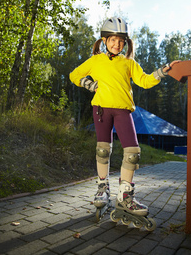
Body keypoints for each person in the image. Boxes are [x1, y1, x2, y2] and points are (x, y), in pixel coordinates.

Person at [69, 17, 179, 219]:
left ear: (125, 43)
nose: (116, 44)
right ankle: (102, 188)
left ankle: (125, 196)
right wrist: (89, 84)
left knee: (133, 152)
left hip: (123, 110)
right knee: (103, 150)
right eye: (112, 40)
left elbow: (144, 81)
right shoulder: (95, 60)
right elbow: (74, 75)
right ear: (104, 40)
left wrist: (162, 71)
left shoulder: (129, 62)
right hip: (101, 109)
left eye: (121, 41)